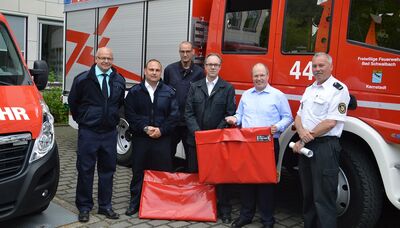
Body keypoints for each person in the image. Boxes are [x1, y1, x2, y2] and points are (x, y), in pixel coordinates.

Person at [225, 63, 293, 228]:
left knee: (266, 183)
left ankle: (267, 220)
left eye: (262, 75)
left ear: (268, 76)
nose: (259, 78)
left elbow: (288, 117)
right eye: (256, 75)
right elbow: (240, 114)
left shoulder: (278, 95)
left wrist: (278, 127)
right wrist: (235, 119)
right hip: (247, 144)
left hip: (267, 145)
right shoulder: (247, 95)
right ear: (252, 77)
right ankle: (246, 215)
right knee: (246, 181)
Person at [292, 52, 350, 228]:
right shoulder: (310, 89)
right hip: (307, 145)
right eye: (315, 66)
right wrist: (302, 134)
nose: (317, 69)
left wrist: (306, 137)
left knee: (324, 198)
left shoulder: (339, 89)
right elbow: (298, 116)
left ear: (331, 67)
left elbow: (330, 122)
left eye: (321, 65)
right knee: (308, 196)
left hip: (325, 147)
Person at [68, 47, 125, 222]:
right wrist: (84, 120)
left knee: (108, 170)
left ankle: (105, 206)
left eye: (109, 58)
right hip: (89, 133)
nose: (106, 61)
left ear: (112, 59)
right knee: (85, 170)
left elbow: (119, 103)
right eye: (102, 58)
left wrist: (112, 118)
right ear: (96, 59)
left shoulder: (119, 80)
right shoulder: (83, 79)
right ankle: (84, 207)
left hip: (109, 133)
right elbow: (73, 102)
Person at [185, 53, 236, 223]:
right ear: (204, 67)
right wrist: (198, 133)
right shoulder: (195, 86)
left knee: (220, 177)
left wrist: (214, 135)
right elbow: (189, 112)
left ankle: (224, 210)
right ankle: (197, 208)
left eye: (216, 65)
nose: (213, 67)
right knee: (195, 174)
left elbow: (230, 114)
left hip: (217, 142)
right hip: (195, 141)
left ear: (220, 67)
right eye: (209, 64)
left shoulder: (227, 88)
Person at [124, 59, 179, 216]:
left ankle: (162, 203)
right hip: (142, 138)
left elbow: (174, 116)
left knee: (163, 172)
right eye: (151, 69)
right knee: (138, 171)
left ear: (160, 72)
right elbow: (130, 114)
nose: (154, 72)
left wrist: (161, 130)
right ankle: (135, 202)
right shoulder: (135, 92)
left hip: (162, 139)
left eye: (157, 70)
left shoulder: (169, 92)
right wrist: (145, 128)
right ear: (145, 71)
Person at [164, 41, 204, 171]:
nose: (185, 54)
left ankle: (189, 186)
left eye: (188, 51)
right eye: (182, 51)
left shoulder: (200, 73)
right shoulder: (169, 70)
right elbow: (164, 94)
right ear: (179, 52)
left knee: (191, 158)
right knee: (167, 155)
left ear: (193, 52)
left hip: (189, 124)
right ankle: (167, 183)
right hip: (173, 122)